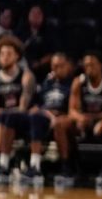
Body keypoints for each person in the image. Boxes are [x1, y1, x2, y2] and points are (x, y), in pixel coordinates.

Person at [17, 51, 74, 186]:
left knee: (51, 121)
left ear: (68, 66)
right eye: (53, 66)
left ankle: (61, 167)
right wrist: (37, 108)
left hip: (62, 117)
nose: (56, 69)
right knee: (29, 116)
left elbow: (72, 108)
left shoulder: (73, 83)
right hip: (44, 117)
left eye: (60, 66)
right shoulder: (47, 82)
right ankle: (25, 165)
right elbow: (37, 102)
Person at [66, 52, 102, 188]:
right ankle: (71, 168)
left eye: (92, 65)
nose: (89, 68)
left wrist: (97, 119)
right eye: (86, 65)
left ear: (100, 65)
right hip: (84, 120)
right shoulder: (79, 82)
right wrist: (81, 118)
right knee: (63, 124)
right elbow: (72, 111)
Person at [0, 36, 36, 183]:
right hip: (0, 119)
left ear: (17, 56)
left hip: (22, 119)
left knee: (6, 117)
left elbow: (23, 107)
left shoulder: (26, 76)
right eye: (2, 54)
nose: (4, 57)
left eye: (9, 53)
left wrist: (0, 112)